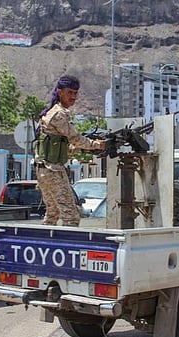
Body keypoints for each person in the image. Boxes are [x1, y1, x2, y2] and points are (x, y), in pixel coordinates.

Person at [34, 75, 105, 226]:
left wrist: (78, 148)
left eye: (75, 93)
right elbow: (75, 138)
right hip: (52, 170)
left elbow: (62, 145)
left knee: (53, 213)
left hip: (43, 169)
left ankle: (46, 242)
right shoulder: (59, 114)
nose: (73, 97)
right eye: (70, 93)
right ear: (60, 92)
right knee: (71, 216)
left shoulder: (51, 112)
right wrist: (97, 145)